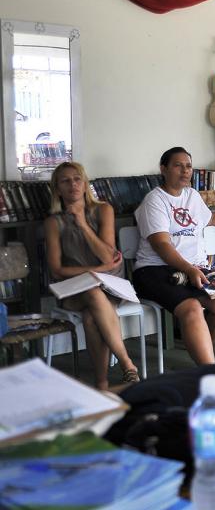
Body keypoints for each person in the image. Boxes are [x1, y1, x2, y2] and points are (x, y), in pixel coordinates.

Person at [132, 147, 215, 365]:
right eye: (177, 165)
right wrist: (189, 269)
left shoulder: (192, 195)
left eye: (188, 166)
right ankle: (208, 370)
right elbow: (161, 244)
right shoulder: (155, 200)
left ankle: (198, 347)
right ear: (164, 169)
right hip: (156, 270)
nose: (185, 170)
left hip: (196, 267)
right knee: (191, 308)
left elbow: (210, 218)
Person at [45, 162, 139, 389]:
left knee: (91, 315)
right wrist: (95, 271)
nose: (73, 185)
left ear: (85, 183)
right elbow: (57, 270)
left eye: (77, 179)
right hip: (73, 288)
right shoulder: (53, 222)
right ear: (57, 189)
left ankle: (102, 383)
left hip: (110, 286)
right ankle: (127, 364)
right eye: (65, 181)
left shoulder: (104, 210)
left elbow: (107, 256)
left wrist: (82, 224)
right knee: (91, 291)